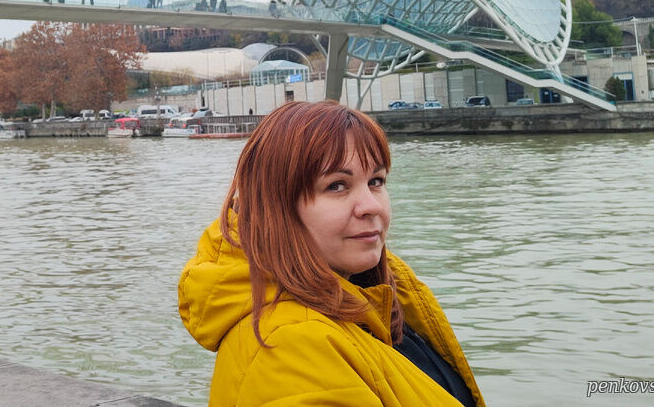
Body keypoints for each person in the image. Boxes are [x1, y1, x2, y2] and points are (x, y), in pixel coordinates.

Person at [179, 101, 484, 406]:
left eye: (376, 181)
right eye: (337, 186)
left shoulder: (383, 297)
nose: (371, 205)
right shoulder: (289, 347)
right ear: (276, 207)